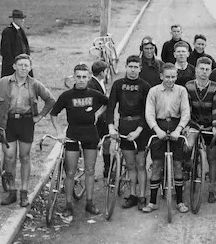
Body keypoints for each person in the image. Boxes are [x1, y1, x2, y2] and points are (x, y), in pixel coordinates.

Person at [0, 55, 55, 207]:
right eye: (20, 65)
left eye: (26, 65)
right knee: (9, 157)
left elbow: (50, 100)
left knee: (25, 157)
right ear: (14, 66)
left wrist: (39, 117)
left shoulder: (34, 84)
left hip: (26, 123)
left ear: (30, 67)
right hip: (8, 123)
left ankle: (24, 193)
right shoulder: (4, 83)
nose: (23, 68)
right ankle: (12, 191)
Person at [50, 63, 109, 217]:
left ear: (88, 77)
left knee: (90, 170)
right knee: (70, 171)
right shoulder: (66, 96)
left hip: (91, 134)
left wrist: (97, 114)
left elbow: (107, 103)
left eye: (84, 77)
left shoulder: (94, 93)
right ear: (74, 77)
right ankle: (68, 204)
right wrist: (58, 132)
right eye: (79, 77)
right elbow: (54, 113)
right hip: (73, 135)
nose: (82, 80)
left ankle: (89, 202)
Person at [143, 63, 191, 213]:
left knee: (177, 165)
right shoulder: (154, 91)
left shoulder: (181, 90)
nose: (170, 80)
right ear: (161, 76)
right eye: (167, 77)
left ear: (176, 76)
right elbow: (149, 113)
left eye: (173, 77)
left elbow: (185, 112)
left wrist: (179, 130)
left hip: (176, 126)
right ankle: (152, 202)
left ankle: (180, 202)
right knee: (156, 165)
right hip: (159, 126)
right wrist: (156, 129)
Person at [106, 55, 151, 210]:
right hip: (125, 125)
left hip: (141, 128)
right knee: (130, 164)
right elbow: (110, 107)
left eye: (136, 67)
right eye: (130, 66)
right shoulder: (118, 85)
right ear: (126, 66)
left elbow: (148, 111)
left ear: (140, 68)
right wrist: (111, 126)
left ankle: (142, 196)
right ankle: (132, 195)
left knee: (141, 164)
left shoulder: (145, 86)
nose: (133, 70)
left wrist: (139, 130)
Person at [184, 57, 216, 204]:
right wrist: (188, 124)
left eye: (207, 69)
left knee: (211, 157)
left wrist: (214, 127)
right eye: (201, 69)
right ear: (196, 70)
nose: (204, 72)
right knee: (187, 146)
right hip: (193, 124)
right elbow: (186, 109)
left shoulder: (215, 87)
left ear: (210, 71)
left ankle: (212, 189)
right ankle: (186, 166)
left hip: (209, 125)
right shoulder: (188, 86)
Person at [87, 60, 110, 181]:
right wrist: (98, 113)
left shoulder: (100, 82)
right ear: (102, 72)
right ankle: (95, 171)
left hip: (103, 119)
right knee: (96, 145)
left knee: (106, 143)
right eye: (106, 71)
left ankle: (107, 169)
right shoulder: (91, 85)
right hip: (98, 120)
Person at [0, 10, 31, 78]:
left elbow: (26, 47)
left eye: (23, 19)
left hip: (23, 64)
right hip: (12, 67)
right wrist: (14, 64)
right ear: (15, 19)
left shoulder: (21, 31)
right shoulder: (7, 32)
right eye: (20, 19)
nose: (22, 20)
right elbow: (5, 51)